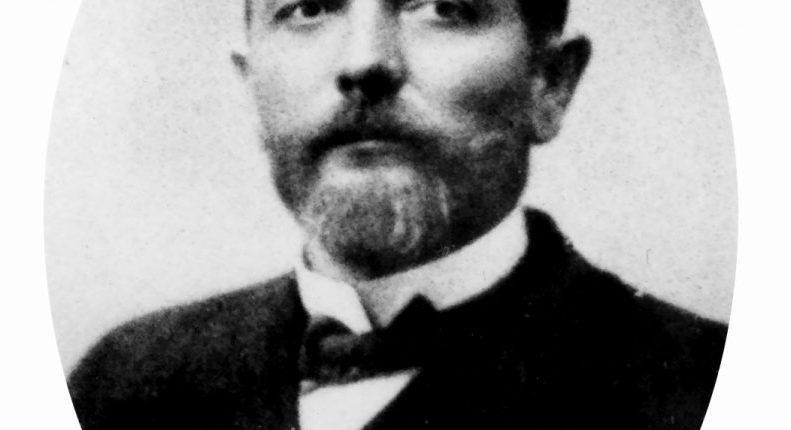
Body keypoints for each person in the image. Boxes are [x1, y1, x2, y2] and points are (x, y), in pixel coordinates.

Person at [67, 1, 727, 429]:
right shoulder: (125, 387)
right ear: (250, 87)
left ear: (549, 84)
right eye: (308, 7)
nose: (365, 62)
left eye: (443, 7)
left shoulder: (702, 387)